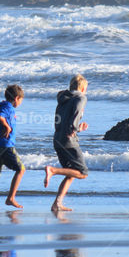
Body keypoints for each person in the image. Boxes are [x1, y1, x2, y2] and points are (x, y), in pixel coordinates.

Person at [44, 75, 89, 212]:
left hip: (58, 139)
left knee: (71, 173)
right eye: (85, 89)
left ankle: (57, 204)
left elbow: (60, 121)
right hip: (69, 141)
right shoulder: (81, 97)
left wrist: (76, 128)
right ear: (82, 88)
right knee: (82, 172)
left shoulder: (62, 100)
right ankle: (53, 170)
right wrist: (76, 128)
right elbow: (75, 116)